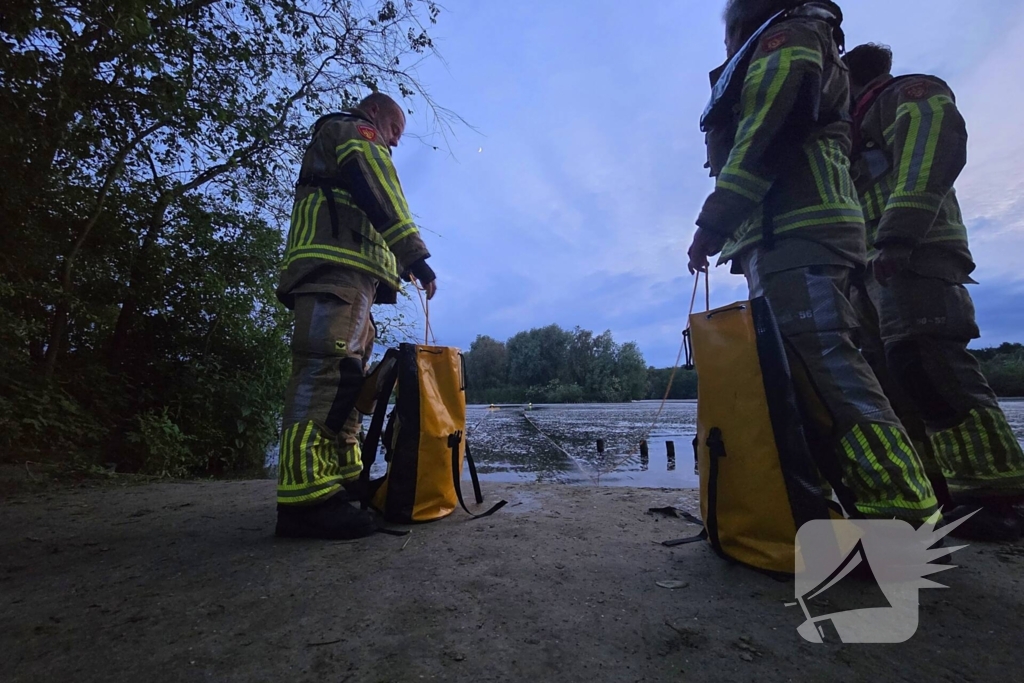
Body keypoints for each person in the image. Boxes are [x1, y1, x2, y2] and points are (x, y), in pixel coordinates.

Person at [687, 0, 939, 523]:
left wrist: (713, 222)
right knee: (800, 381)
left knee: (827, 375)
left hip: (801, 231)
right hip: (778, 239)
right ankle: (827, 510)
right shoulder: (790, 38)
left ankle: (902, 519)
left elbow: (768, 133)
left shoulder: (792, 36)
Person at [844, 43, 1024, 540]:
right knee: (888, 383)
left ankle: (998, 497)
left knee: (931, 368)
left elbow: (932, 151)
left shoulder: (908, 95)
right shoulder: (851, 129)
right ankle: (935, 492)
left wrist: (899, 234)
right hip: (868, 271)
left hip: (915, 254)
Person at [274, 93, 438, 540]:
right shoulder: (354, 131)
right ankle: (305, 502)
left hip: (351, 276)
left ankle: (342, 482)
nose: (396, 144)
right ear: (376, 115)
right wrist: (415, 257)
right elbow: (376, 188)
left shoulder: (348, 137)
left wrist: (397, 266)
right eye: (395, 132)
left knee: (349, 379)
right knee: (326, 374)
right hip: (333, 272)